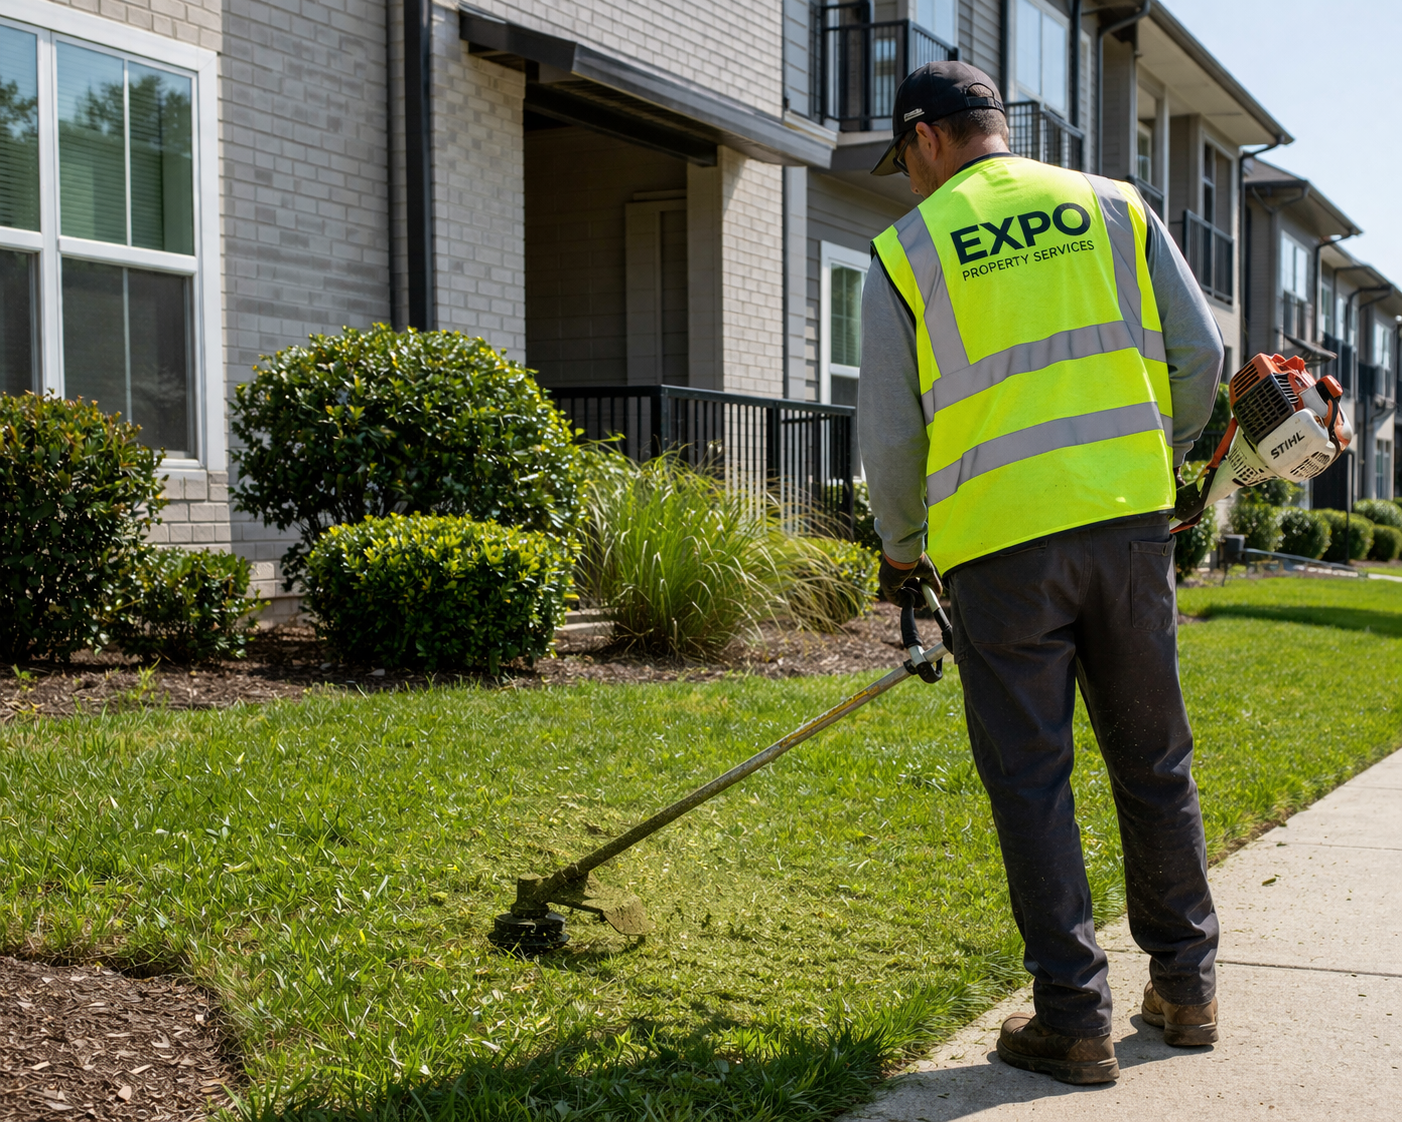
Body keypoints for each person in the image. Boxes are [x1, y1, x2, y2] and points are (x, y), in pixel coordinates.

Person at [858, 61, 1224, 1086]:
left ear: (927, 137)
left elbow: (891, 431)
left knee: (1031, 780)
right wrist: (1161, 455)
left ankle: (1073, 1019)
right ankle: (1185, 990)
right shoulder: (1115, 206)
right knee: (1153, 759)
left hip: (1000, 550)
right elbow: (1196, 358)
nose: (909, 181)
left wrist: (898, 544)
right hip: (1125, 524)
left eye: (906, 162)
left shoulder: (905, 249)